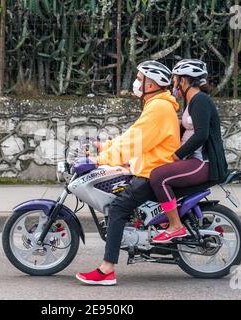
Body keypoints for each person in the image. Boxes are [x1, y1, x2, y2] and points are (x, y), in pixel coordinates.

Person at [75, 60, 180, 286]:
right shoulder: (156, 105)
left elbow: (135, 143)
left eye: (140, 79)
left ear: (151, 85)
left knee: (117, 208)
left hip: (151, 170)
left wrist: (99, 160)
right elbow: (132, 137)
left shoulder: (159, 108)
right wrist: (106, 145)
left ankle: (107, 270)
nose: (136, 83)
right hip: (147, 167)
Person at [149, 59, 228, 243]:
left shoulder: (200, 100)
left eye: (175, 79)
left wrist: (177, 155)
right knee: (156, 170)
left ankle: (175, 225)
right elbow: (184, 128)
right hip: (194, 160)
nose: (173, 84)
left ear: (184, 81)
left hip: (203, 162)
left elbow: (201, 135)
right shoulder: (191, 101)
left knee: (158, 177)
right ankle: (164, 219)